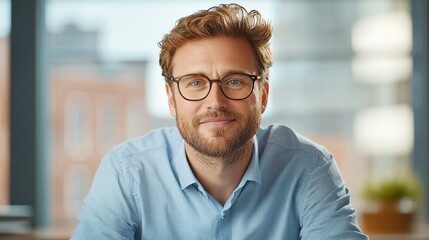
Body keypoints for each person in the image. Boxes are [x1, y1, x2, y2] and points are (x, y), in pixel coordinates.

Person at [72, 3, 368, 239]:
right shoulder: (127, 171)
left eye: (235, 81)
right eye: (196, 83)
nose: (215, 101)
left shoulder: (308, 167)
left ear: (262, 95)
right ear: (172, 99)